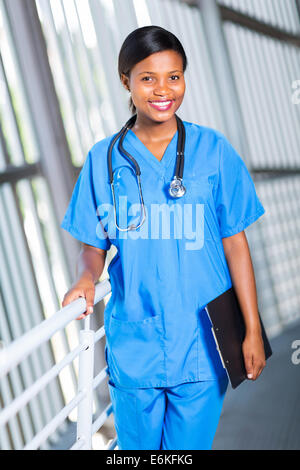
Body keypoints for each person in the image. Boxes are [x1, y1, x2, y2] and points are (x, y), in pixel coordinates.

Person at [61, 26, 267, 450]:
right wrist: (86, 279)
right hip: (135, 345)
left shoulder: (213, 150)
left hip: (203, 345)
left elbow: (235, 244)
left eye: (174, 76)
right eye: (148, 77)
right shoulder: (103, 160)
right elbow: (93, 244)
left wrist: (251, 329)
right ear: (126, 81)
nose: (163, 89)